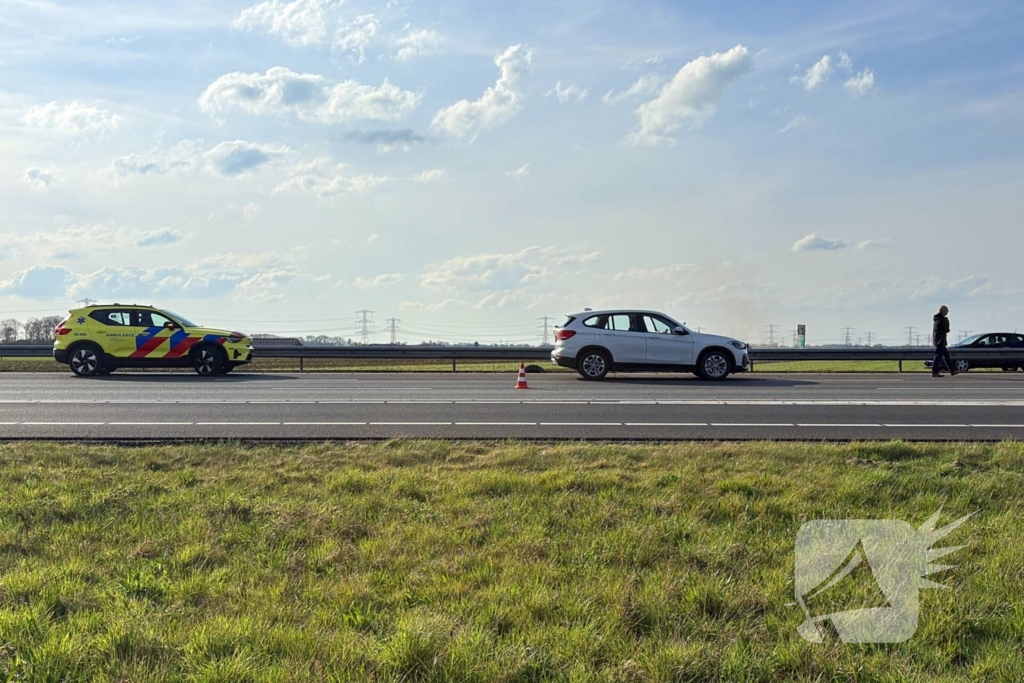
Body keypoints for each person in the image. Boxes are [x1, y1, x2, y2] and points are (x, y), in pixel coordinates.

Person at [932, 305, 958, 377]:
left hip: (938, 340)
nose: (947, 312)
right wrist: (946, 321)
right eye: (947, 310)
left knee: (946, 356)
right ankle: (935, 372)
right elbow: (947, 330)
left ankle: (952, 370)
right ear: (943, 311)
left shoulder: (937, 319)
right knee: (938, 357)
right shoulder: (942, 319)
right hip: (940, 341)